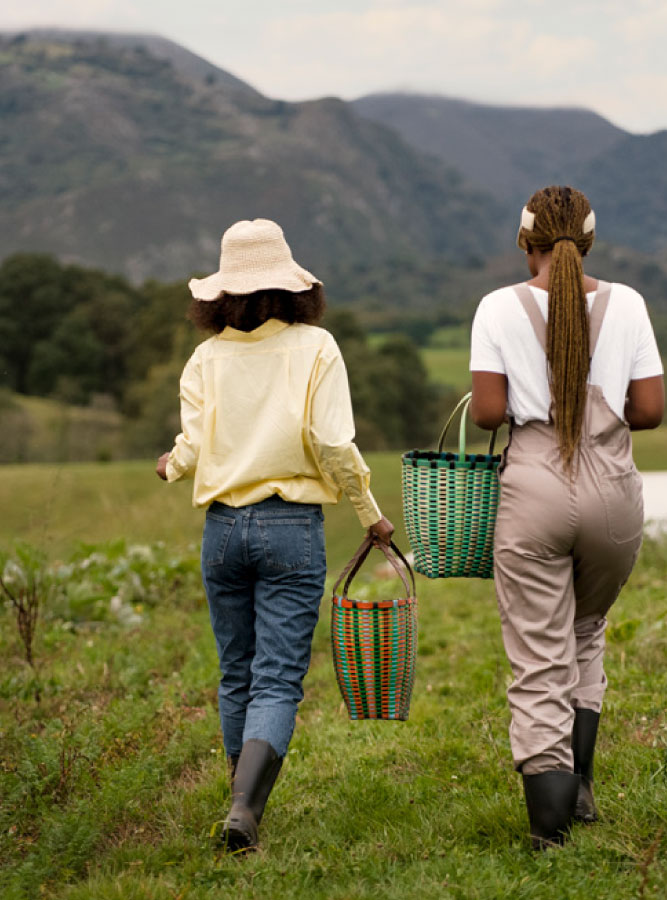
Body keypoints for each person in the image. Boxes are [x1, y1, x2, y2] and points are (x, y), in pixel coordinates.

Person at [156, 218, 393, 852]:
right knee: (278, 677)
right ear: (294, 289)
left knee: (236, 671)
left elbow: (195, 440)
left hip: (223, 531)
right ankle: (244, 809)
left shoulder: (206, 357)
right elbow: (332, 442)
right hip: (291, 528)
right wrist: (369, 511)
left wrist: (173, 465)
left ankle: (241, 803)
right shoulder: (317, 348)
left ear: (221, 294)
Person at [469, 186, 664, 849]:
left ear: (525, 244)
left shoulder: (498, 307)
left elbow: (490, 414)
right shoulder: (629, 304)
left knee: (538, 654)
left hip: (535, 490)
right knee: (585, 629)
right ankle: (580, 792)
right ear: (587, 244)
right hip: (613, 491)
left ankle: (548, 834)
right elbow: (651, 409)